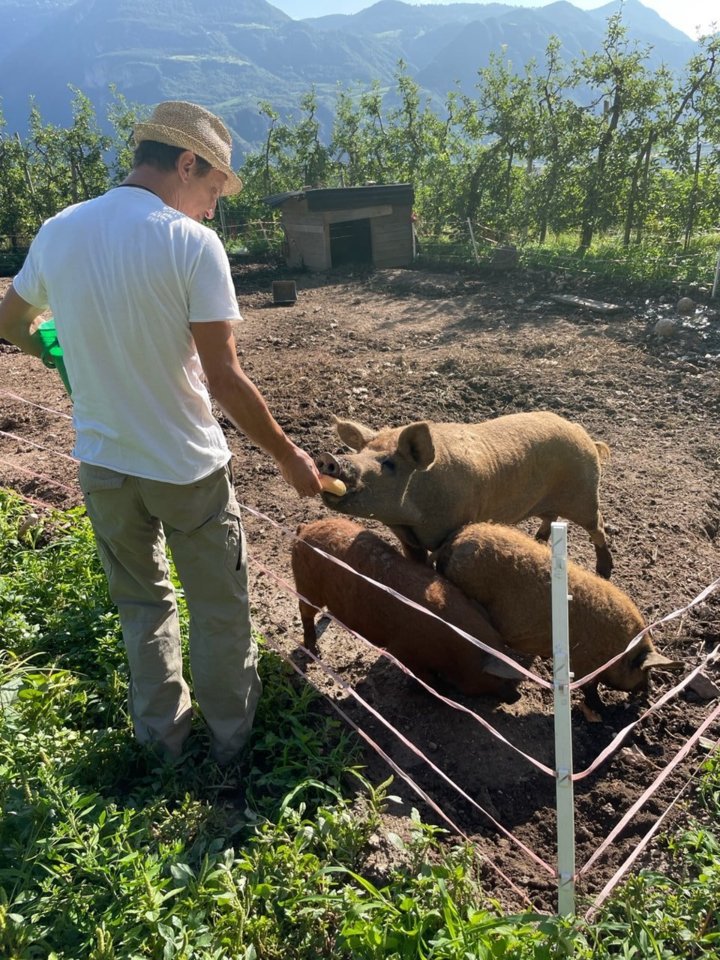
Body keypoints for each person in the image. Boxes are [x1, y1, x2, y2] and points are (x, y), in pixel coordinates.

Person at [0, 100, 322, 764]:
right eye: (210, 190)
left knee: (143, 608)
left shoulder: (60, 230)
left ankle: (162, 749)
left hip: (104, 465)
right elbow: (225, 379)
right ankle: (233, 749)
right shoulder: (189, 244)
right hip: (186, 470)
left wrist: (53, 351)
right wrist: (290, 456)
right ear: (185, 163)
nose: (210, 208)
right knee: (220, 613)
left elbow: (11, 320)